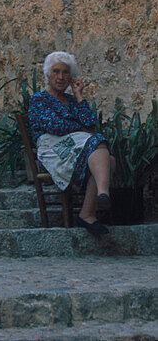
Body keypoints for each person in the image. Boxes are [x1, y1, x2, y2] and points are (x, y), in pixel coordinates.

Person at [28, 51, 116, 235]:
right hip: (55, 152)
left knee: (109, 159)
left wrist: (79, 94)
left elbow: (91, 123)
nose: (61, 77)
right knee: (100, 148)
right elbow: (54, 126)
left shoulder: (71, 100)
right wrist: (82, 129)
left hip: (77, 148)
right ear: (47, 75)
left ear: (71, 77)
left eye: (66, 72)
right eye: (56, 71)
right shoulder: (39, 99)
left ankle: (89, 210)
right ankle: (99, 198)